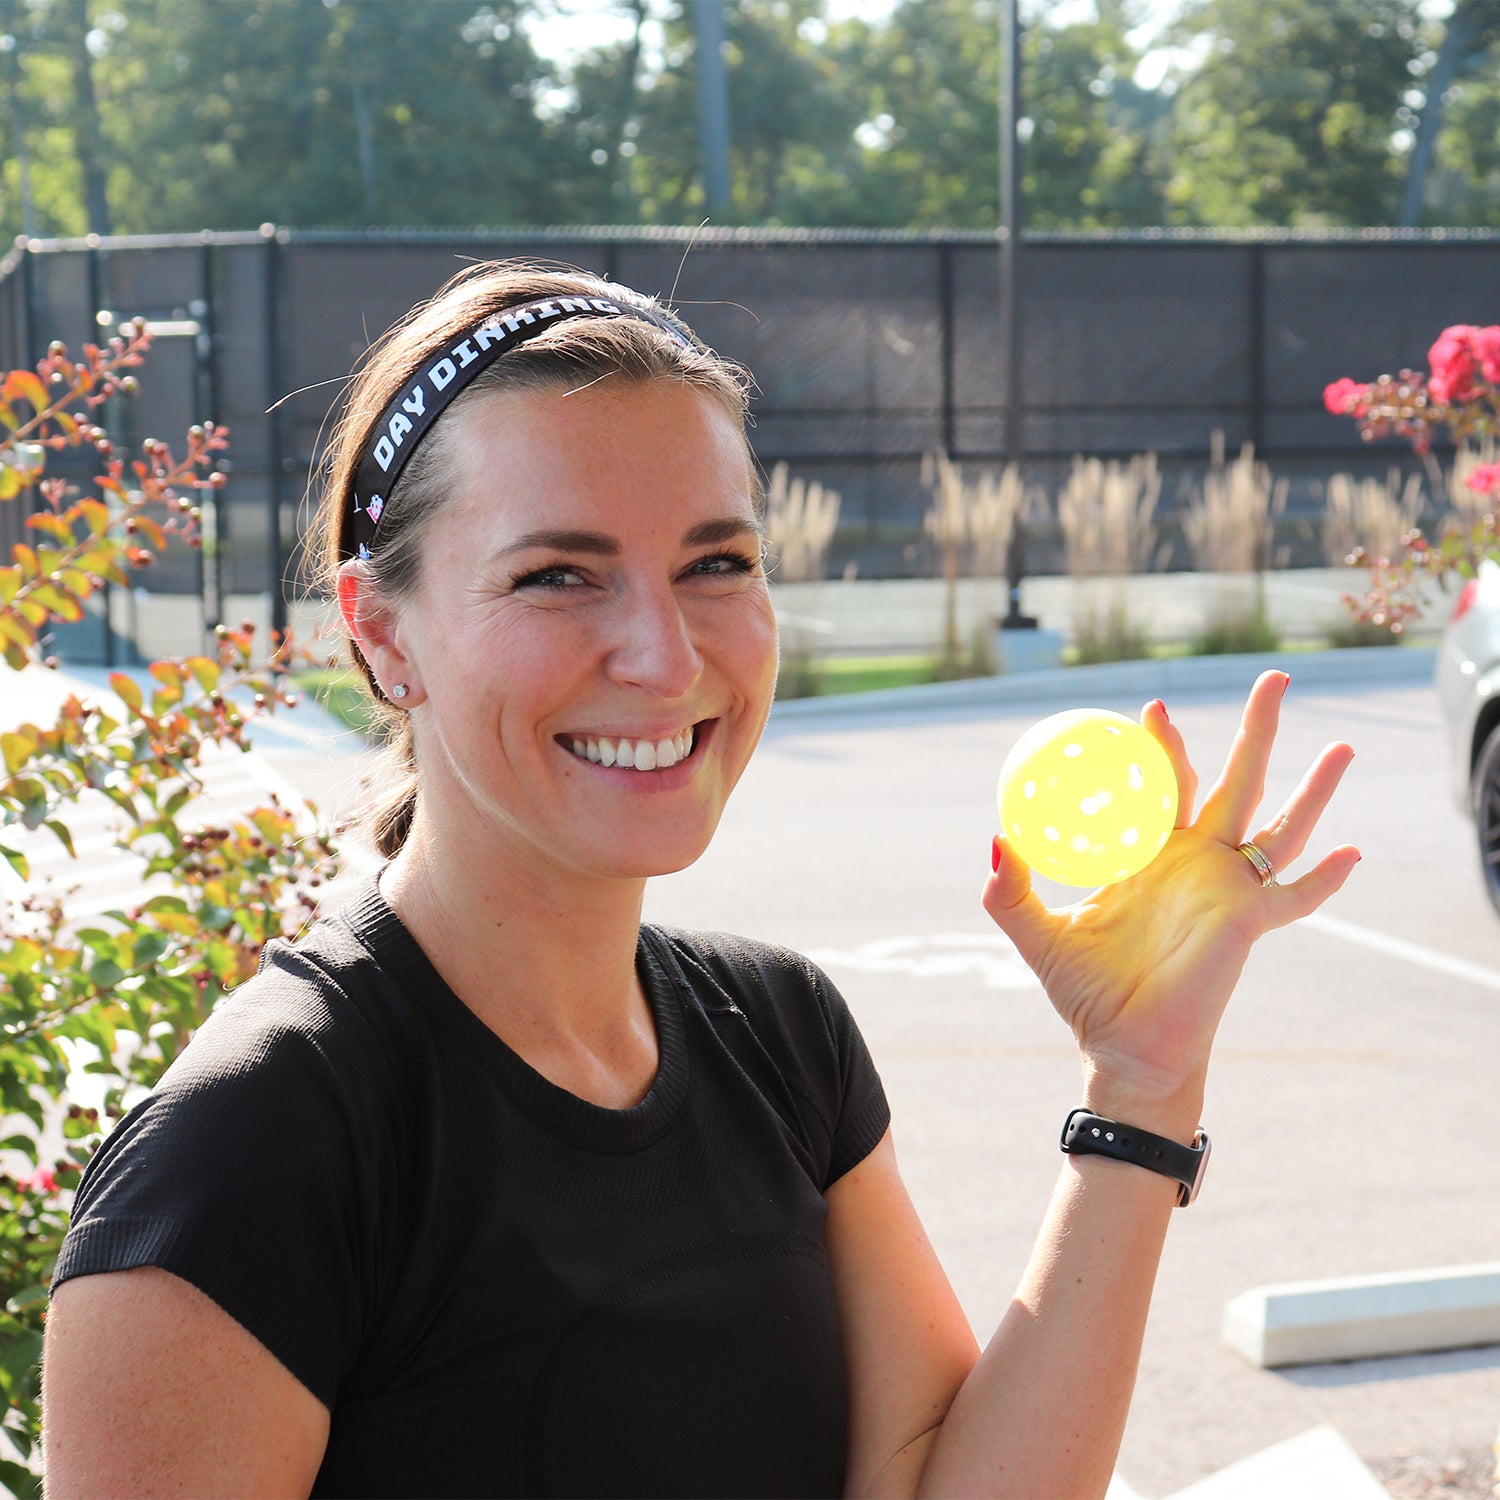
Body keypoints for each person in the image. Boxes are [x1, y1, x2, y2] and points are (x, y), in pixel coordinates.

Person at [40, 260, 1359, 1499]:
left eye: (715, 564)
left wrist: (1140, 1088)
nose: (665, 658)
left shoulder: (778, 1032)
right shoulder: (247, 1158)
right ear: (383, 635)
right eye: (557, 576)